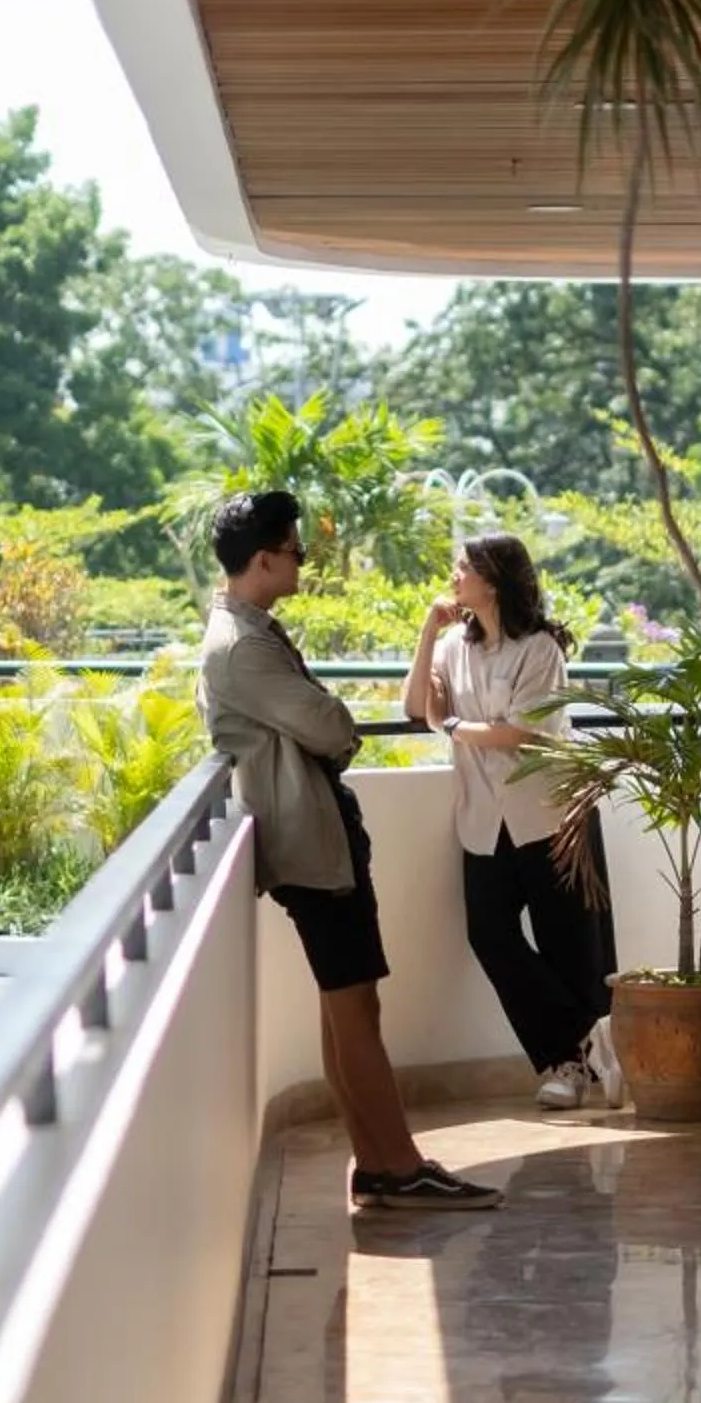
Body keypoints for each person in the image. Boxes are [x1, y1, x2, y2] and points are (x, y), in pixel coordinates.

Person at [199, 490, 504, 1212]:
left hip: (314, 840)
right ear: (264, 559)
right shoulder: (242, 646)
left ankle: (377, 1163)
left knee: (348, 1007)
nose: (303, 561)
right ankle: (397, 1166)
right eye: (295, 550)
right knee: (355, 1008)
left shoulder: (248, 631)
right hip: (310, 850)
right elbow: (331, 728)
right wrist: (333, 723)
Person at [405, 533, 621, 1110]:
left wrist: (452, 727)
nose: (455, 575)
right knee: (490, 934)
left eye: (464, 567)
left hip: (550, 811)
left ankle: (567, 1069)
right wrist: (426, 633)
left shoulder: (540, 650)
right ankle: (583, 1039)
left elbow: (519, 733)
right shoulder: (453, 645)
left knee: (569, 944)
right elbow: (415, 706)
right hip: (483, 818)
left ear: (494, 580)